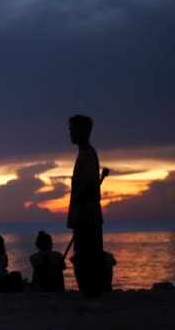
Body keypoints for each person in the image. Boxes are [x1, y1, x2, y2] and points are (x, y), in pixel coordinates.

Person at [67, 114, 106, 298]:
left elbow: (88, 184)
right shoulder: (83, 154)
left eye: (73, 129)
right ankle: (90, 290)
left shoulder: (88, 155)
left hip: (87, 215)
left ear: (83, 131)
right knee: (84, 253)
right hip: (83, 214)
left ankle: (92, 290)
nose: (70, 133)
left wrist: (77, 202)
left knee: (87, 255)